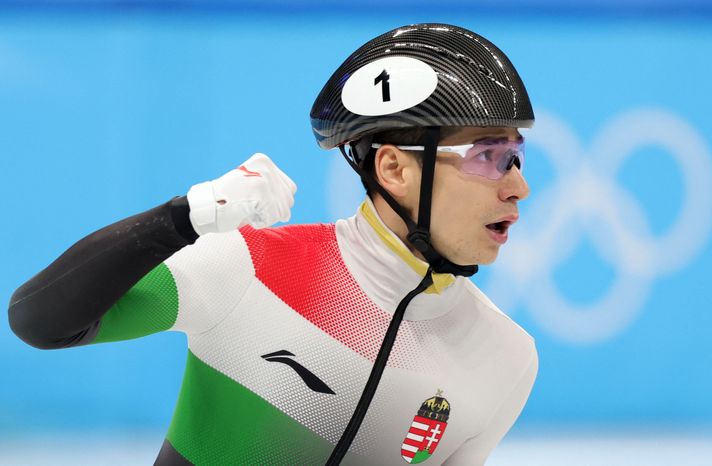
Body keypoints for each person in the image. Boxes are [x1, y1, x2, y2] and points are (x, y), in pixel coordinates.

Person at [8, 23, 538, 465]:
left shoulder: (507, 359)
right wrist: (183, 218)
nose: (518, 186)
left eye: (515, 157)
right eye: (488, 155)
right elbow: (41, 321)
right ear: (395, 168)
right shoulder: (250, 269)